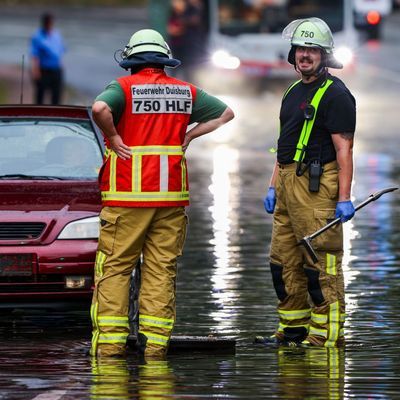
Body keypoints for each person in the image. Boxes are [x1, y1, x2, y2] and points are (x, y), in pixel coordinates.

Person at [90, 29, 234, 359]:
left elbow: (99, 109)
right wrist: (191, 135)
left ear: (131, 61)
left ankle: (111, 348)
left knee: (115, 268)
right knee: (161, 269)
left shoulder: (123, 88)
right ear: (164, 60)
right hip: (170, 198)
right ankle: (155, 347)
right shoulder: (185, 91)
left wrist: (112, 136)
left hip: (127, 197)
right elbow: (225, 113)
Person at [259, 17, 356, 347]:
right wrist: (273, 186)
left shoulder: (337, 95)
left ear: (324, 55)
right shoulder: (292, 91)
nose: (305, 55)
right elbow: (284, 143)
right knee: (283, 263)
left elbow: (344, 150)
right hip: (287, 184)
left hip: (317, 188)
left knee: (320, 266)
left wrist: (344, 197)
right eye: (301, 48)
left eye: (312, 50)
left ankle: (325, 338)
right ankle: (293, 331)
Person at [30, 12, 66, 105]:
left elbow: (60, 51)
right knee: (40, 96)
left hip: (56, 69)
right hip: (43, 70)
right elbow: (35, 55)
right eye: (48, 22)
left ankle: (56, 115)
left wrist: (61, 66)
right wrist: (35, 71)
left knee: (56, 95)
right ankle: (38, 114)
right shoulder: (38, 36)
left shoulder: (56, 35)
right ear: (44, 23)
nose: (50, 24)